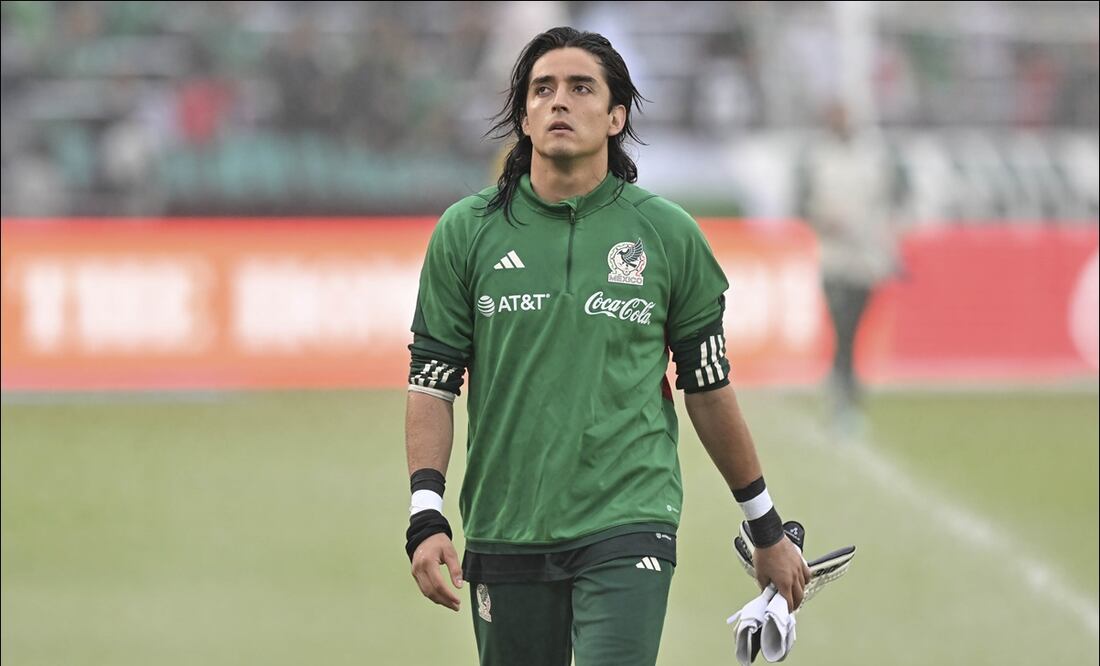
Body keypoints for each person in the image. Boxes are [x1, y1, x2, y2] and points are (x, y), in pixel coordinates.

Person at [404, 27, 810, 666]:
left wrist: (764, 527)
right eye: (543, 90)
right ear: (524, 116)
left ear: (616, 115)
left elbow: (707, 387)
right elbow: (432, 381)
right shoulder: (466, 232)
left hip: (629, 521)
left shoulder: (667, 235)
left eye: (580, 87)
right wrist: (426, 515)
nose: (559, 101)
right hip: (505, 524)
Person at [796, 102, 901, 438]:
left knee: (853, 328)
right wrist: (822, 219)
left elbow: (896, 194)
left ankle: (845, 393)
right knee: (841, 326)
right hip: (833, 255)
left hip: (866, 257)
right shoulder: (817, 156)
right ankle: (843, 395)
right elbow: (801, 201)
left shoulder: (875, 154)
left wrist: (885, 234)